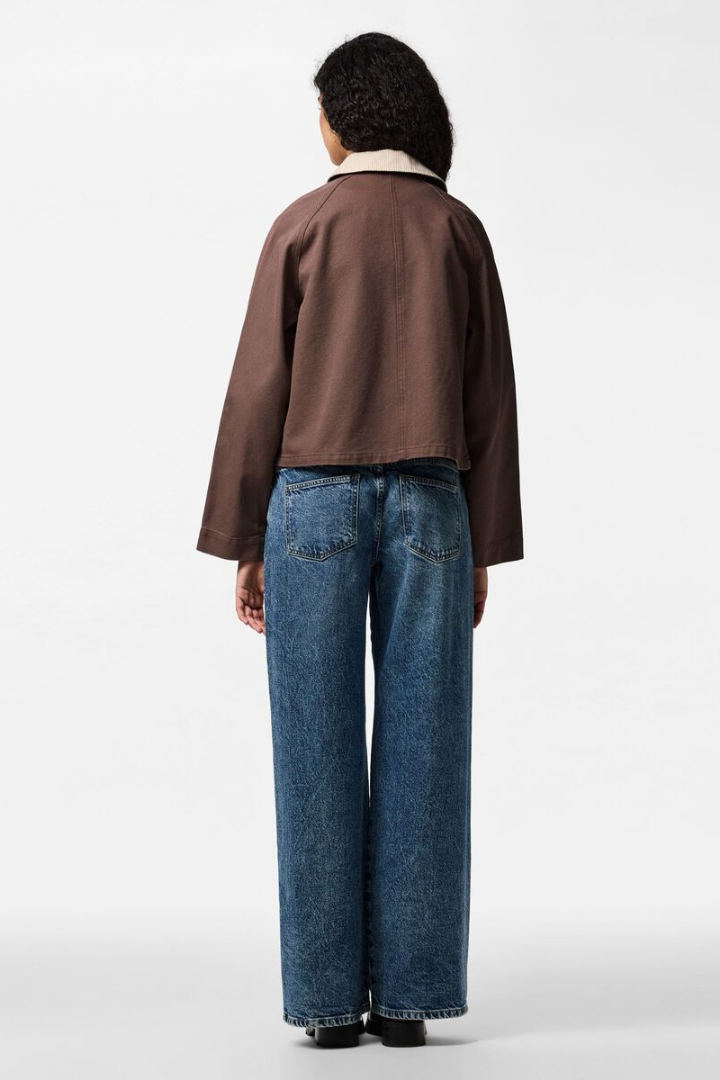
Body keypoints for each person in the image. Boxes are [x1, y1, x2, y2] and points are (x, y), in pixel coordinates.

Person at [196, 31, 523, 1049]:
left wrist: (244, 537)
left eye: (322, 112)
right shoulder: (457, 228)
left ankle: (329, 1008)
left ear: (344, 118)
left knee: (314, 748)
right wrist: (483, 545)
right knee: (429, 747)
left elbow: (259, 388)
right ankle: (409, 1002)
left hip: (312, 510)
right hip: (433, 505)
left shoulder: (304, 223)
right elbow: (489, 399)